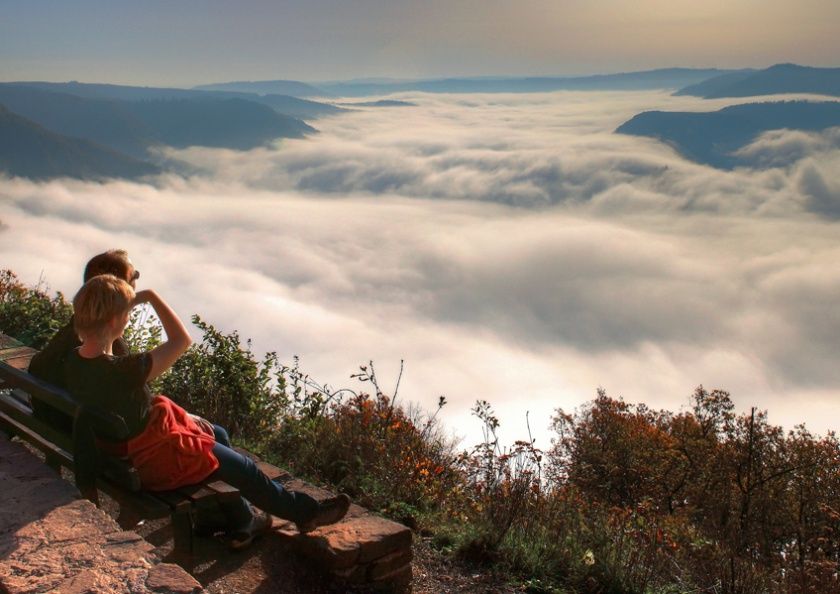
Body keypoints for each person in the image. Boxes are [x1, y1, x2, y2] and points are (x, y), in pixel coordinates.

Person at [63, 273, 350, 549]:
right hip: (153, 463)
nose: (129, 318)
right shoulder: (122, 371)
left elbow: (124, 408)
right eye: (126, 313)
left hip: (123, 458)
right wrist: (150, 296)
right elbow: (181, 340)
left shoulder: (75, 361)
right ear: (114, 320)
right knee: (246, 468)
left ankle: (230, 518)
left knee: (218, 434)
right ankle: (306, 513)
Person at [28, 249, 139, 433]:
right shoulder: (108, 347)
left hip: (45, 416)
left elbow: (37, 368)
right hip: (71, 430)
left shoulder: (74, 331)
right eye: (135, 276)